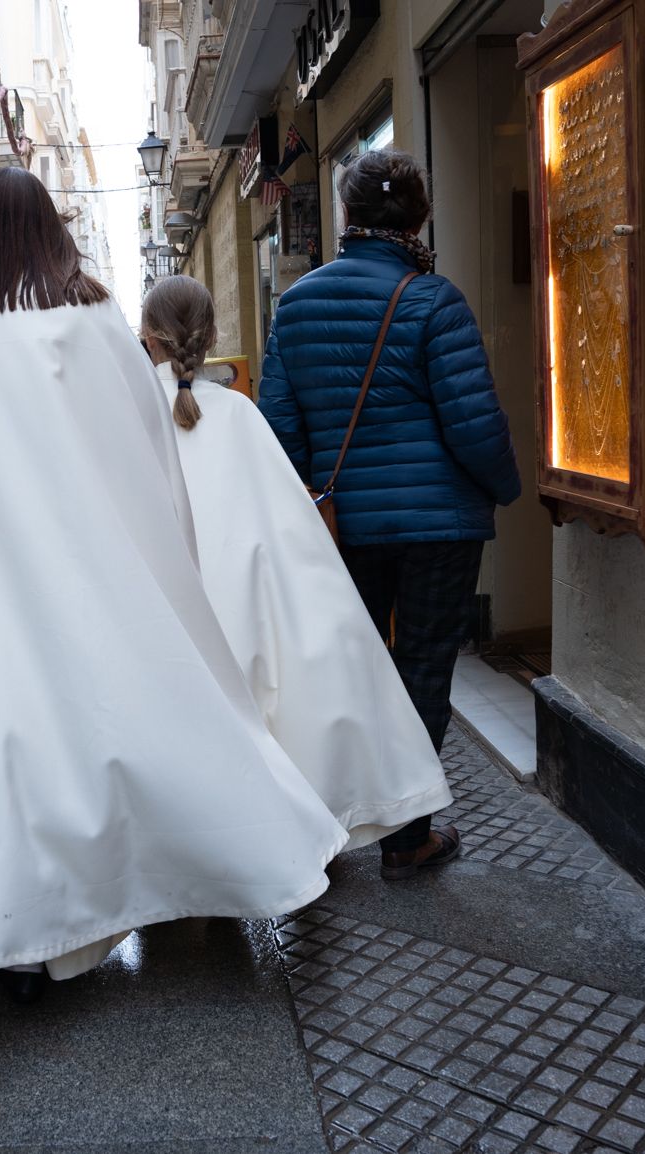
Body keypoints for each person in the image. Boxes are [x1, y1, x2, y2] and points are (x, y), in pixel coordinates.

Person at [0, 167, 349, 1003]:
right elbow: (147, 451)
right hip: (76, 563)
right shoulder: (90, 325)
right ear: (51, 234)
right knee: (82, 730)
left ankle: (14, 929)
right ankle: (103, 896)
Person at [259, 148, 522, 879]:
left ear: (346, 216)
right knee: (423, 670)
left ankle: (330, 825)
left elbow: (277, 427)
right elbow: (473, 423)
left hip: (341, 524)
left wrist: (309, 499)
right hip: (438, 526)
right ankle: (408, 838)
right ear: (418, 215)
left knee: (343, 669)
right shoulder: (433, 300)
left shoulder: (297, 303)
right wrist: (506, 486)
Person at [139, 275, 452, 859]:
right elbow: (286, 524)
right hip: (243, 598)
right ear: (209, 336)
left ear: (146, 336)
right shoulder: (237, 414)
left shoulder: (128, 416)